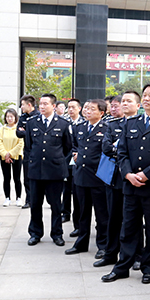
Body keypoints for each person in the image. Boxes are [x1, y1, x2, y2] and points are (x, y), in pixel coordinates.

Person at [103, 84, 150, 283]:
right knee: (128, 228)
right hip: (130, 186)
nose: (145, 99)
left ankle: (149, 267)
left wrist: (146, 174)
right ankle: (122, 266)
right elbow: (122, 153)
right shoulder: (130, 123)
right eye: (144, 95)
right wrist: (127, 174)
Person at [96, 91, 140, 267]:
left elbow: (139, 152)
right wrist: (123, 151)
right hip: (115, 178)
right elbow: (106, 147)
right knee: (113, 218)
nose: (125, 104)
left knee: (133, 220)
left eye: (129, 101)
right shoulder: (112, 125)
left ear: (138, 105)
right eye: (123, 101)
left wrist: (122, 151)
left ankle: (137, 256)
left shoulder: (143, 125)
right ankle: (110, 254)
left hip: (134, 178)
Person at [25, 94, 73, 247]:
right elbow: (28, 146)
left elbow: (68, 148)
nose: (42, 106)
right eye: (41, 104)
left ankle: (57, 234)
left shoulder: (63, 124)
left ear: (53, 106)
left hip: (55, 171)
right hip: (36, 170)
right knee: (35, 204)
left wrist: (59, 162)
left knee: (56, 205)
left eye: (46, 104)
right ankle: (35, 233)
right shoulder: (32, 123)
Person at [65, 100, 110, 256]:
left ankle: (103, 246)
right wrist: (75, 155)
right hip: (81, 176)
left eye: (92, 109)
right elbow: (74, 145)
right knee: (83, 213)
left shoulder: (107, 129)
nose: (88, 111)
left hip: (98, 178)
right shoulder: (80, 127)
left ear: (101, 113)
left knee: (101, 214)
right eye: (86, 108)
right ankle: (81, 243)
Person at [15, 95, 39, 209]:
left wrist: (26, 132)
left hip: (38, 151)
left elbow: (38, 135)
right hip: (27, 151)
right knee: (27, 178)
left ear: (29, 105)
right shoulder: (23, 117)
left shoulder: (39, 117)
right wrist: (27, 133)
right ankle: (29, 200)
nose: (21, 107)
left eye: (23, 104)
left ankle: (38, 199)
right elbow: (18, 133)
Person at [65, 98, 85, 234]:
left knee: (78, 196)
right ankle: (65, 213)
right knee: (66, 191)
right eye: (68, 107)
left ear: (80, 108)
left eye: (73, 107)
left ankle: (79, 225)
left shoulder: (84, 123)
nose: (70, 110)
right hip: (66, 161)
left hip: (79, 163)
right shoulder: (64, 123)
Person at [0, 108, 25, 207]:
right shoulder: (2, 129)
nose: (9, 118)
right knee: (6, 178)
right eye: (7, 116)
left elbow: (20, 143)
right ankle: (7, 198)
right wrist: (5, 154)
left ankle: (18, 198)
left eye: (11, 116)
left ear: (15, 117)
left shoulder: (19, 128)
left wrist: (11, 154)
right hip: (4, 157)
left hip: (16, 157)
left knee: (17, 178)